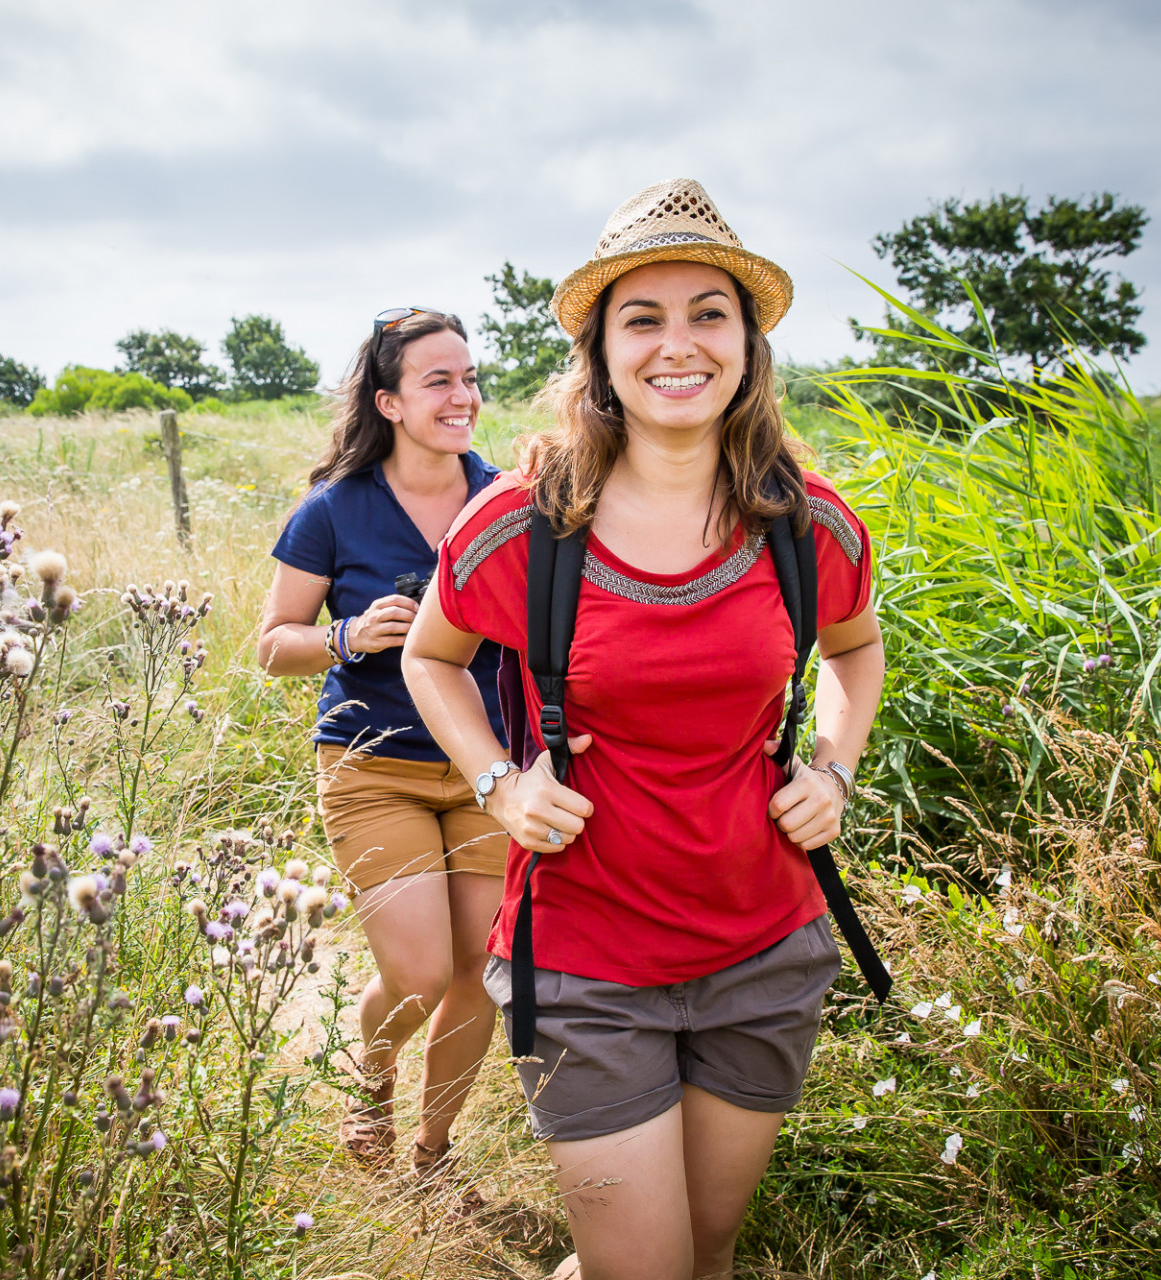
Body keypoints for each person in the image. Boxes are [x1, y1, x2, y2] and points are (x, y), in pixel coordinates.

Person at [401, 180, 886, 1280]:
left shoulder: (807, 522)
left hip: (764, 948)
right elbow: (430, 658)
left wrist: (836, 769)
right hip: (585, 957)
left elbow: (856, 650)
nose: (681, 344)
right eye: (644, 318)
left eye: (709, 312)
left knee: (706, 1253)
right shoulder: (522, 521)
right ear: (600, 351)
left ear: (749, 344)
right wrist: (496, 782)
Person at [256, 308, 509, 1176]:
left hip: (491, 769)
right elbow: (272, 645)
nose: (462, 395)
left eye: (469, 378)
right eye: (439, 380)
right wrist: (349, 636)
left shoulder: (510, 502)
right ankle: (373, 1079)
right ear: (390, 402)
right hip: (375, 767)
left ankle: (434, 1154)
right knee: (421, 972)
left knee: (481, 970)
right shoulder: (334, 511)